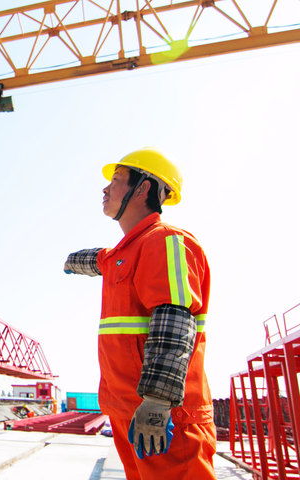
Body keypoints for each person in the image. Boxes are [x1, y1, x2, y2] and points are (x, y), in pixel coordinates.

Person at [63, 148, 215, 479]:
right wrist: (71, 262)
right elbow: (99, 259)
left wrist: (158, 402)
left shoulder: (167, 241)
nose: (105, 189)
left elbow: (175, 320)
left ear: (143, 188)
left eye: (116, 180)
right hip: (127, 412)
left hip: (165, 417)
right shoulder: (123, 252)